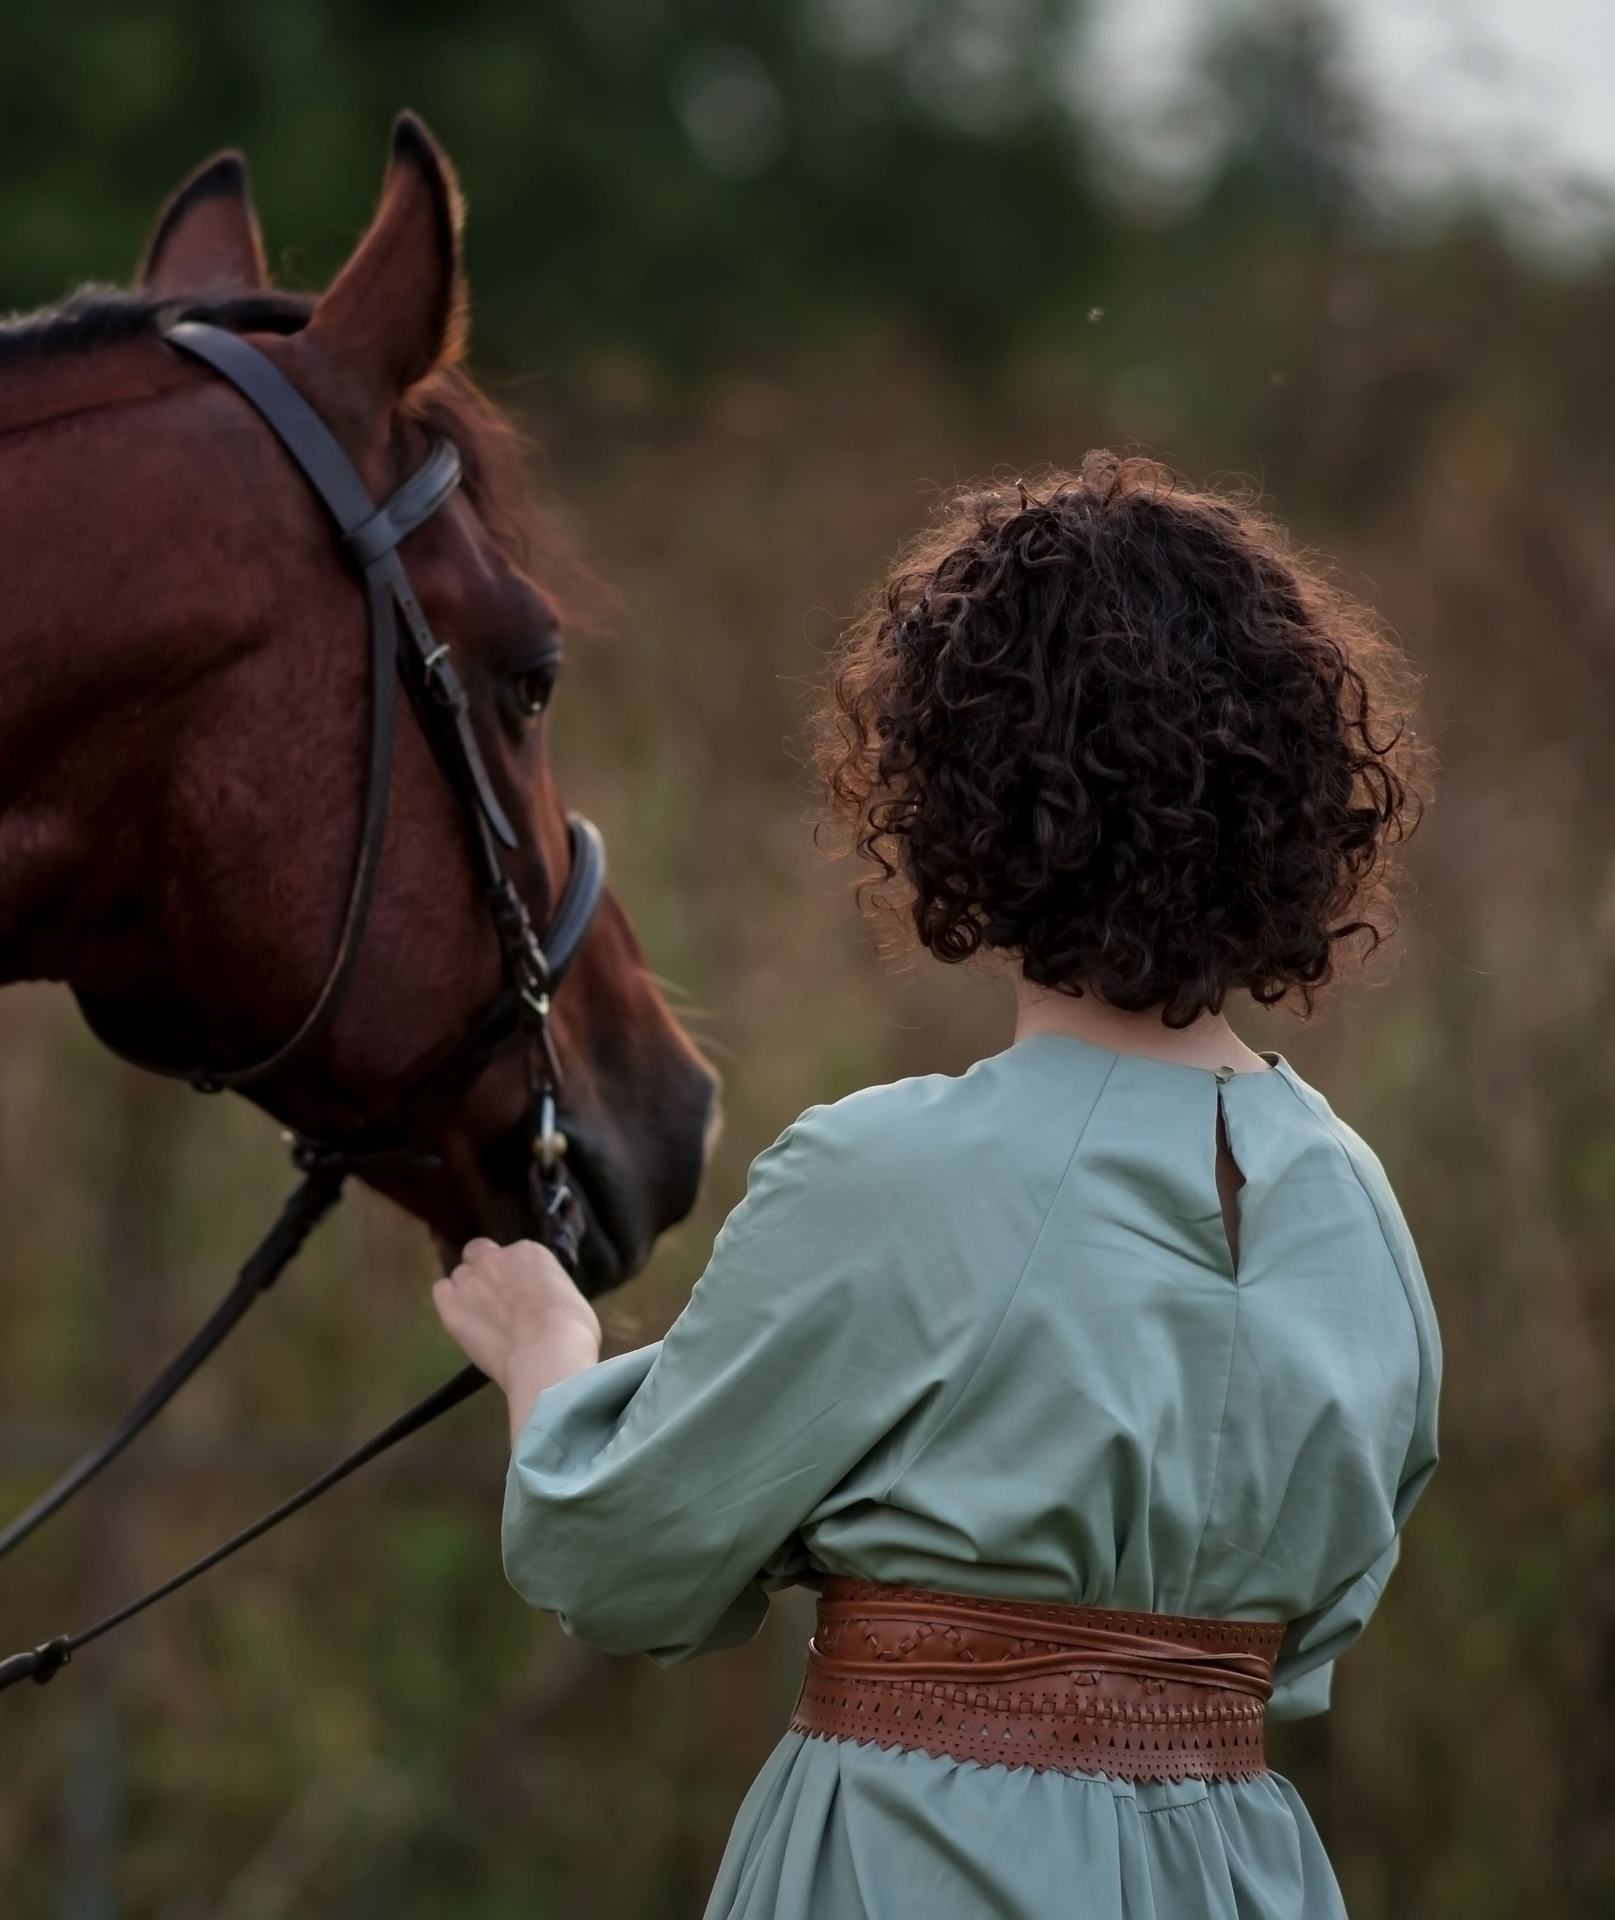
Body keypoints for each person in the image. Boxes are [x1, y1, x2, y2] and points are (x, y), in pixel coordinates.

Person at [432, 454, 1439, 1920]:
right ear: (1289, 801)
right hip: (1244, 1873)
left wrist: (548, 1355)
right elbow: (1310, 1631)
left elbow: (622, 1554)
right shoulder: (1358, 1207)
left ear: (966, 790)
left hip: (929, 1865)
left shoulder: (893, 1177)